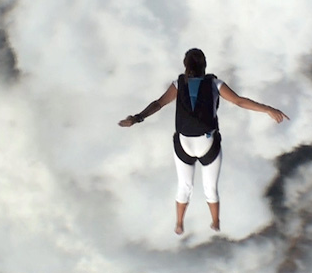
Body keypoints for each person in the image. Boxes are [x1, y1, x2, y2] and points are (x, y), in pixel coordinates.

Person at [118, 48, 289, 235]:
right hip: (207, 144)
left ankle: (179, 224)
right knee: (210, 188)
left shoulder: (178, 84)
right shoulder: (215, 83)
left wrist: (137, 118)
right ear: (205, 65)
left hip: (184, 143)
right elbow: (240, 101)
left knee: (184, 186)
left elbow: (158, 103)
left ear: (185, 65)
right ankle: (215, 222)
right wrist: (268, 109)